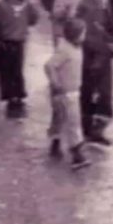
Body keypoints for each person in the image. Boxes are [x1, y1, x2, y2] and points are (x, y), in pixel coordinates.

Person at [76, 0, 113, 145]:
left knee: (104, 94)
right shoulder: (86, 5)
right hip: (91, 57)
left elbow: (110, 27)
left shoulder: (103, 3)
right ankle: (87, 129)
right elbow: (84, 35)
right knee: (89, 92)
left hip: (103, 57)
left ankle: (96, 130)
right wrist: (104, 48)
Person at [44, 18, 91, 170]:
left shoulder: (74, 47)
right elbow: (49, 65)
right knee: (73, 123)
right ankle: (77, 155)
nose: (85, 36)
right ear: (76, 35)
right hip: (66, 92)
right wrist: (55, 83)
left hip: (70, 91)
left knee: (59, 118)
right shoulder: (66, 50)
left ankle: (55, 143)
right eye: (83, 33)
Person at [0, 0, 39, 117]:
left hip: (17, 42)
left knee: (15, 70)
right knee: (8, 71)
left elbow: (33, 20)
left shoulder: (26, 6)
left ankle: (17, 96)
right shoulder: (1, 6)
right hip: (6, 42)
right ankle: (11, 97)